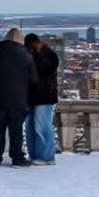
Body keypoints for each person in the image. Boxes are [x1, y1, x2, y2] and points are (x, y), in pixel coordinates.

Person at [0, 28, 38, 167]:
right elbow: (34, 78)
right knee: (16, 131)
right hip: (18, 98)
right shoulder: (26, 55)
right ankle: (17, 158)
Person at [24, 33, 59, 165]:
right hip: (34, 96)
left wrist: (36, 55)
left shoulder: (49, 56)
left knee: (42, 126)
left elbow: (44, 71)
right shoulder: (38, 56)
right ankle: (35, 154)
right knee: (31, 127)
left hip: (45, 97)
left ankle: (46, 157)